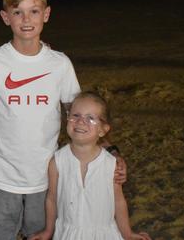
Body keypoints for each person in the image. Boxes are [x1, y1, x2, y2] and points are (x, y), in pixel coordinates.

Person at [0, 0, 126, 240]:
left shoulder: (59, 64)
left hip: (47, 176)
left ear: (46, 14)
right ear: (6, 17)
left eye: (33, 11)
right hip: (1, 175)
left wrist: (110, 150)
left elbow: (82, 116)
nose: (26, 19)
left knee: (41, 233)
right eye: (17, 12)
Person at [29, 92, 152, 240]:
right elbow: (52, 199)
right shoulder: (57, 161)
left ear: (103, 130)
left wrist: (127, 233)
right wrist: (49, 230)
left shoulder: (110, 164)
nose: (81, 122)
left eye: (90, 118)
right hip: (68, 234)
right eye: (76, 115)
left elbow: (119, 201)